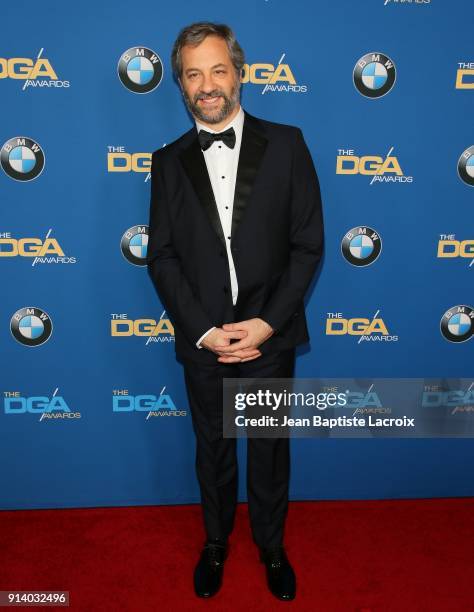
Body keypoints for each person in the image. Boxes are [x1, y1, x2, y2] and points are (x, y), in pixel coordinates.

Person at [147, 21, 324, 601]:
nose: (207, 85)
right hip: (204, 342)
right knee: (212, 449)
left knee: (269, 448)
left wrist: (266, 324)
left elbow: (307, 246)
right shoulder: (167, 162)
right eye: (193, 74)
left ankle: (272, 546)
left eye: (217, 69)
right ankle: (216, 542)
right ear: (180, 84)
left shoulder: (289, 145)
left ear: (239, 73)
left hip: (267, 337)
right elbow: (163, 257)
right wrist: (203, 331)